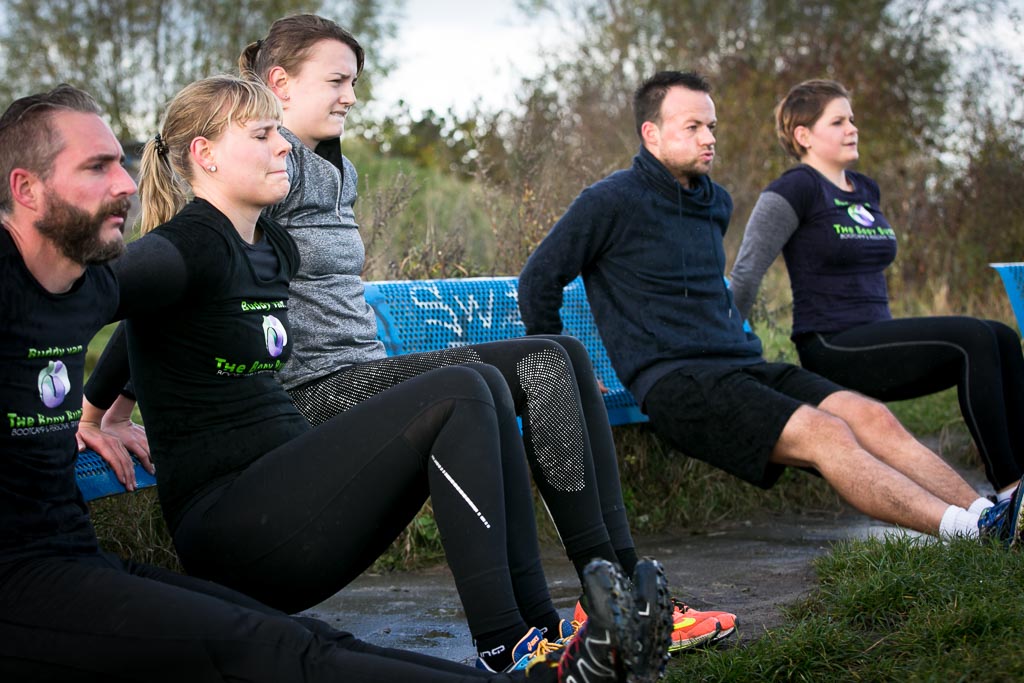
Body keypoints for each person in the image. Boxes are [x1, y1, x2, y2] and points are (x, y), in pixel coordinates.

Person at [0, 82, 658, 683]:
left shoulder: (270, 246)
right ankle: (508, 646)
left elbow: (136, 316)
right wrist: (92, 411)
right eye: (261, 134)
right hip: (236, 521)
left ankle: (545, 646)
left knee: (477, 387)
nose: (281, 144)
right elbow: (114, 290)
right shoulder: (186, 245)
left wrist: (104, 409)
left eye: (278, 131)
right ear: (205, 154)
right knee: (461, 390)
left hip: (284, 494)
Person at [230, 13, 735, 651]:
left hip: (364, 374)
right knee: (529, 368)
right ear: (279, 83)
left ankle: (614, 590)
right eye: (337, 81)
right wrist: (109, 407)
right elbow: (203, 265)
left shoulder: (335, 171)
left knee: (560, 352)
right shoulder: (268, 166)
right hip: (320, 394)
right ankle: (589, 608)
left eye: (354, 82)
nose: (351, 96)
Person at [517, 70, 1024, 548]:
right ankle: (972, 532)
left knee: (870, 416)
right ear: (651, 134)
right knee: (827, 434)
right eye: (691, 127)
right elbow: (539, 278)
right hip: (678, 382)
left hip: (743, 365)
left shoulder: (713, 201)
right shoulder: (609, 201)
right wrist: (563, 369)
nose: (708, 138)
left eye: (711, 126)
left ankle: (992, 514)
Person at [729, 78, 1024, 501]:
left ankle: (1023, 480)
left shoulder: (865, 189)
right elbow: (746, 273)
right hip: (832, 345)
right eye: (838, 121)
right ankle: (1009, 491)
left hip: (876, 338)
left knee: (1003, 336)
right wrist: (723, 346)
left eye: (852, 119)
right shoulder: (792, 190)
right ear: (803, 135)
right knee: (974, 338)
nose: (853, 128)